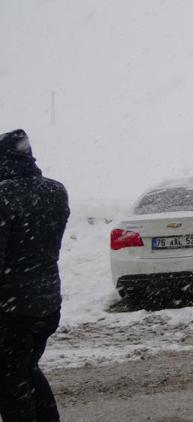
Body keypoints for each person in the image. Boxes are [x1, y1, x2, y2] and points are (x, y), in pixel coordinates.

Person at [0, 129, 69, 421]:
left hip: (10, 309)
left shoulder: (3, 196)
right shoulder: (55, 190)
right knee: (26, 368)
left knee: (9, 381)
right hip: (47, 303)